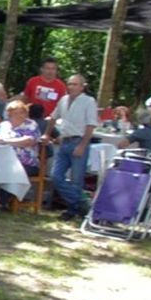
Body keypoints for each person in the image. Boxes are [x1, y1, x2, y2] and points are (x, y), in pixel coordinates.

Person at [47, 73, 98, 220]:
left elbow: (90, 124)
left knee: (76, 179)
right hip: (65, 141)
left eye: (75, 84)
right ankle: (83, 204)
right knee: (55, 176)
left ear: (82, 87)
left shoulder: (88, 101)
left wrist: (83, 145)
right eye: (69, 84)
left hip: (78, 140)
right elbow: (53, 117)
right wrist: (47, 133)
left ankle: (72, 210)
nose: (71, 87)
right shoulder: (63, 100)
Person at [23, 58, 66, 123]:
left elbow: (63, 105)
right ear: (42, 69)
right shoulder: (33, 81)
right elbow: (25, 98)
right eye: (48, 68)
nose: (50, 71)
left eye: (53, 69)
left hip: (50, 119)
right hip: (32, 117)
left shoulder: (61, 85)